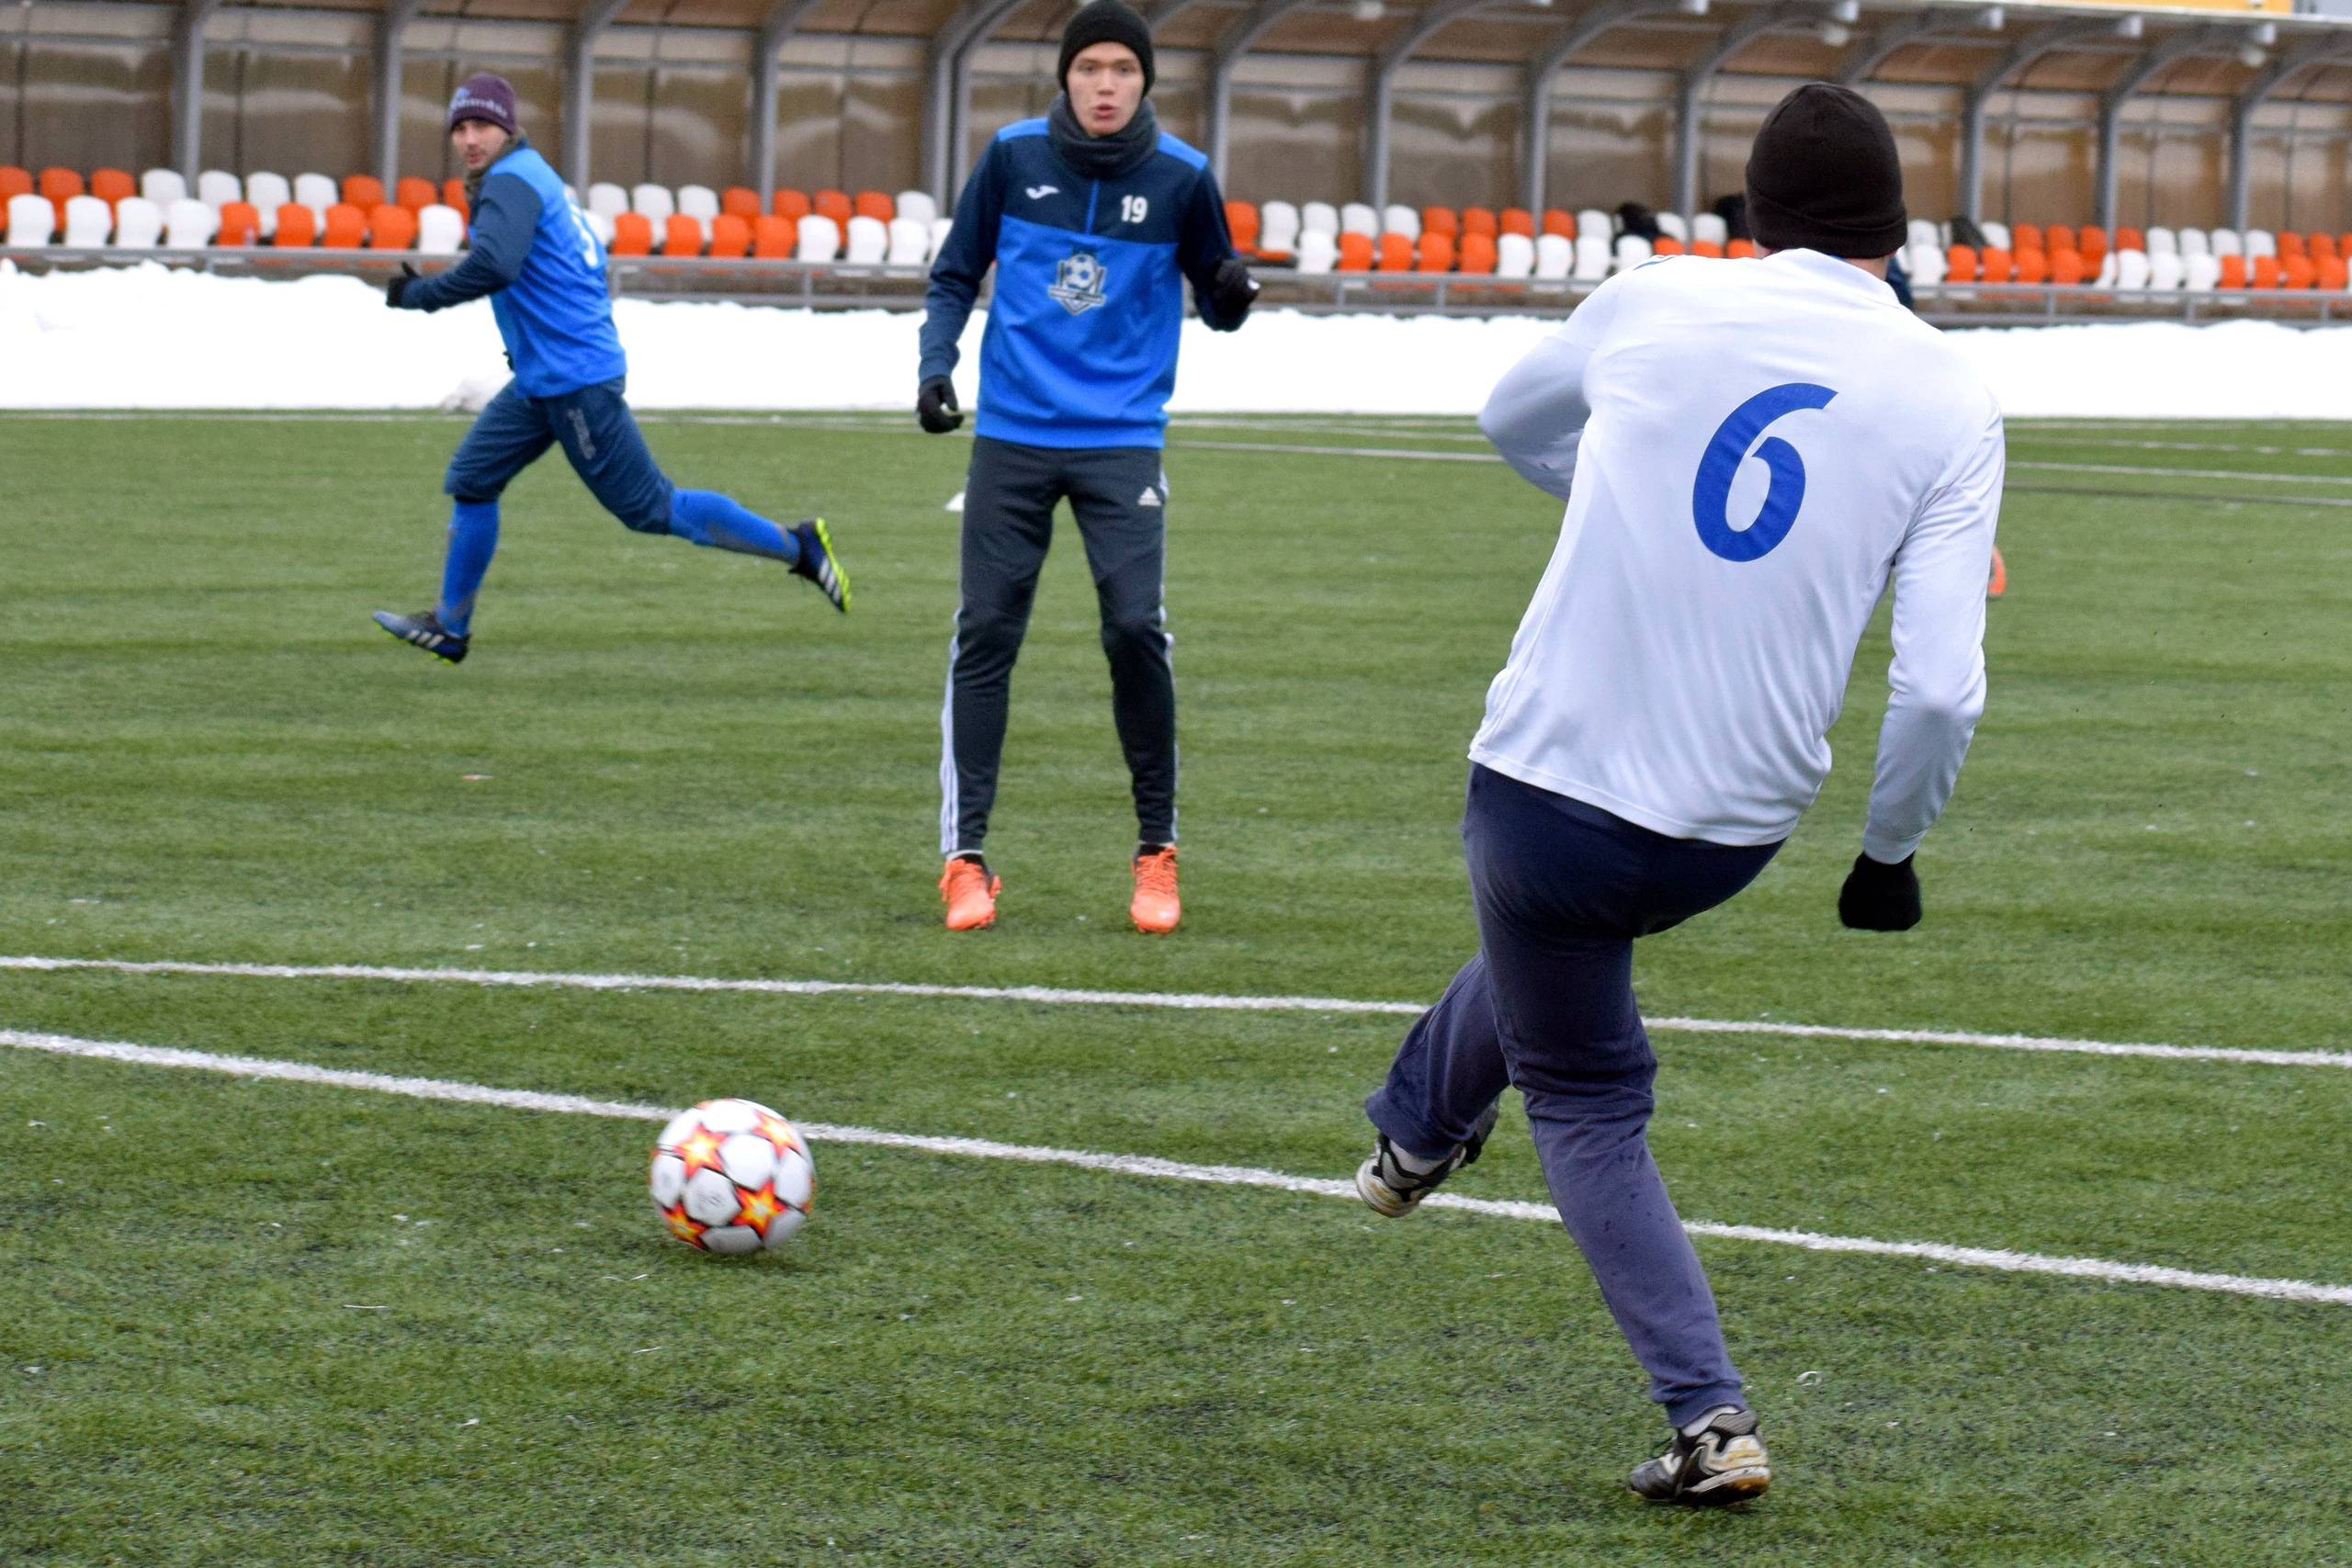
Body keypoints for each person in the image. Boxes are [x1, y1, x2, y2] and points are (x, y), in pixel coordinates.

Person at [1351, 84, 2002, 1506]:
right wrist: (1887, 855)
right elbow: (1941, 685)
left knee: (1583, 1081)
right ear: (1896, 234)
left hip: (1547, 785)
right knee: (1562, 948)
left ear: (1752, 216)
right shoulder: (1951, 388)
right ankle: (1413, 1128)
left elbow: (1504, 417)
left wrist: (1600, 482)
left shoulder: (1651, 298)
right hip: (1735, 825)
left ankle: (1710, 1413)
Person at [915, 0, 1259, 934]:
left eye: (1123, 70)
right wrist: (935, 365)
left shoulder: (1183, 177)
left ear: (1145, 81)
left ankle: (1157, 853)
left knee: (1133, 628)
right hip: (1013, 438)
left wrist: (1231, 296)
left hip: (1120, 441)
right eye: (1090, 68)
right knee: (985, 632)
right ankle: (966, 860)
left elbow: (1219, 294)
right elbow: (954, 273)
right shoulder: (1012, 158)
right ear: (1064, 77)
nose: (1105, 85)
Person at [372, 73, 848, 664]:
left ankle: (798, 546)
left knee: (652, 509)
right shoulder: (532, 175)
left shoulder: (509, 183)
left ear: (507, 127)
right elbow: (571, 268)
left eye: (483, 126)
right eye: (461, 128)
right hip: (546, 378)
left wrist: (420, 296)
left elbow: (496, 265)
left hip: (573, 383)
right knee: (471, 480)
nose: (470, 139)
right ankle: (450, 625)